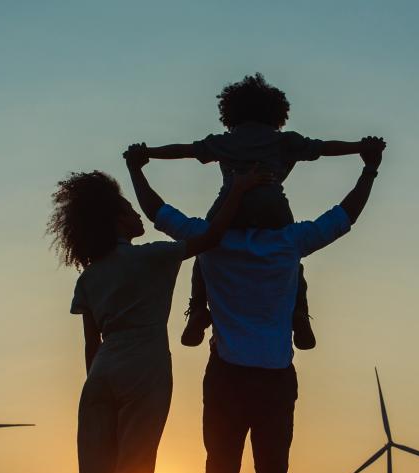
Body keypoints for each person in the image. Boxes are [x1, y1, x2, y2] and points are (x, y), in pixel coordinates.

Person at [126, 137, 386, 473]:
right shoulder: (290, 242)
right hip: (275, 379)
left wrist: (135, 167)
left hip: (226, 377)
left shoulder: (213, 242)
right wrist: (369, 169)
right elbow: (344, 216)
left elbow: (157, 211)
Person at [51, 165, 271, 473]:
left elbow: (91, 347)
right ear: (117, 222)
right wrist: (238, 187)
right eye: (131, 211)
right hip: (145, 367)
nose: (138, 217)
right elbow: (211, 236)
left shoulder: (88, 278)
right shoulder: (153, 256)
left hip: (99, 378)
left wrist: (101, 384)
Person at [138, 73, 374, 350]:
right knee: (291, 258)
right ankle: (299, 312)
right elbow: (324, 148)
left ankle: (198, 308)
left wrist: (148, 153)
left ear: (231, 113)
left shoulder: (226, 142)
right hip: (272, 211)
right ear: (276, 113)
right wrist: (361, 148)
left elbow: (185, 151)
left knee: (204, 251)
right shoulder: (285, 142)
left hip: (229, 211)